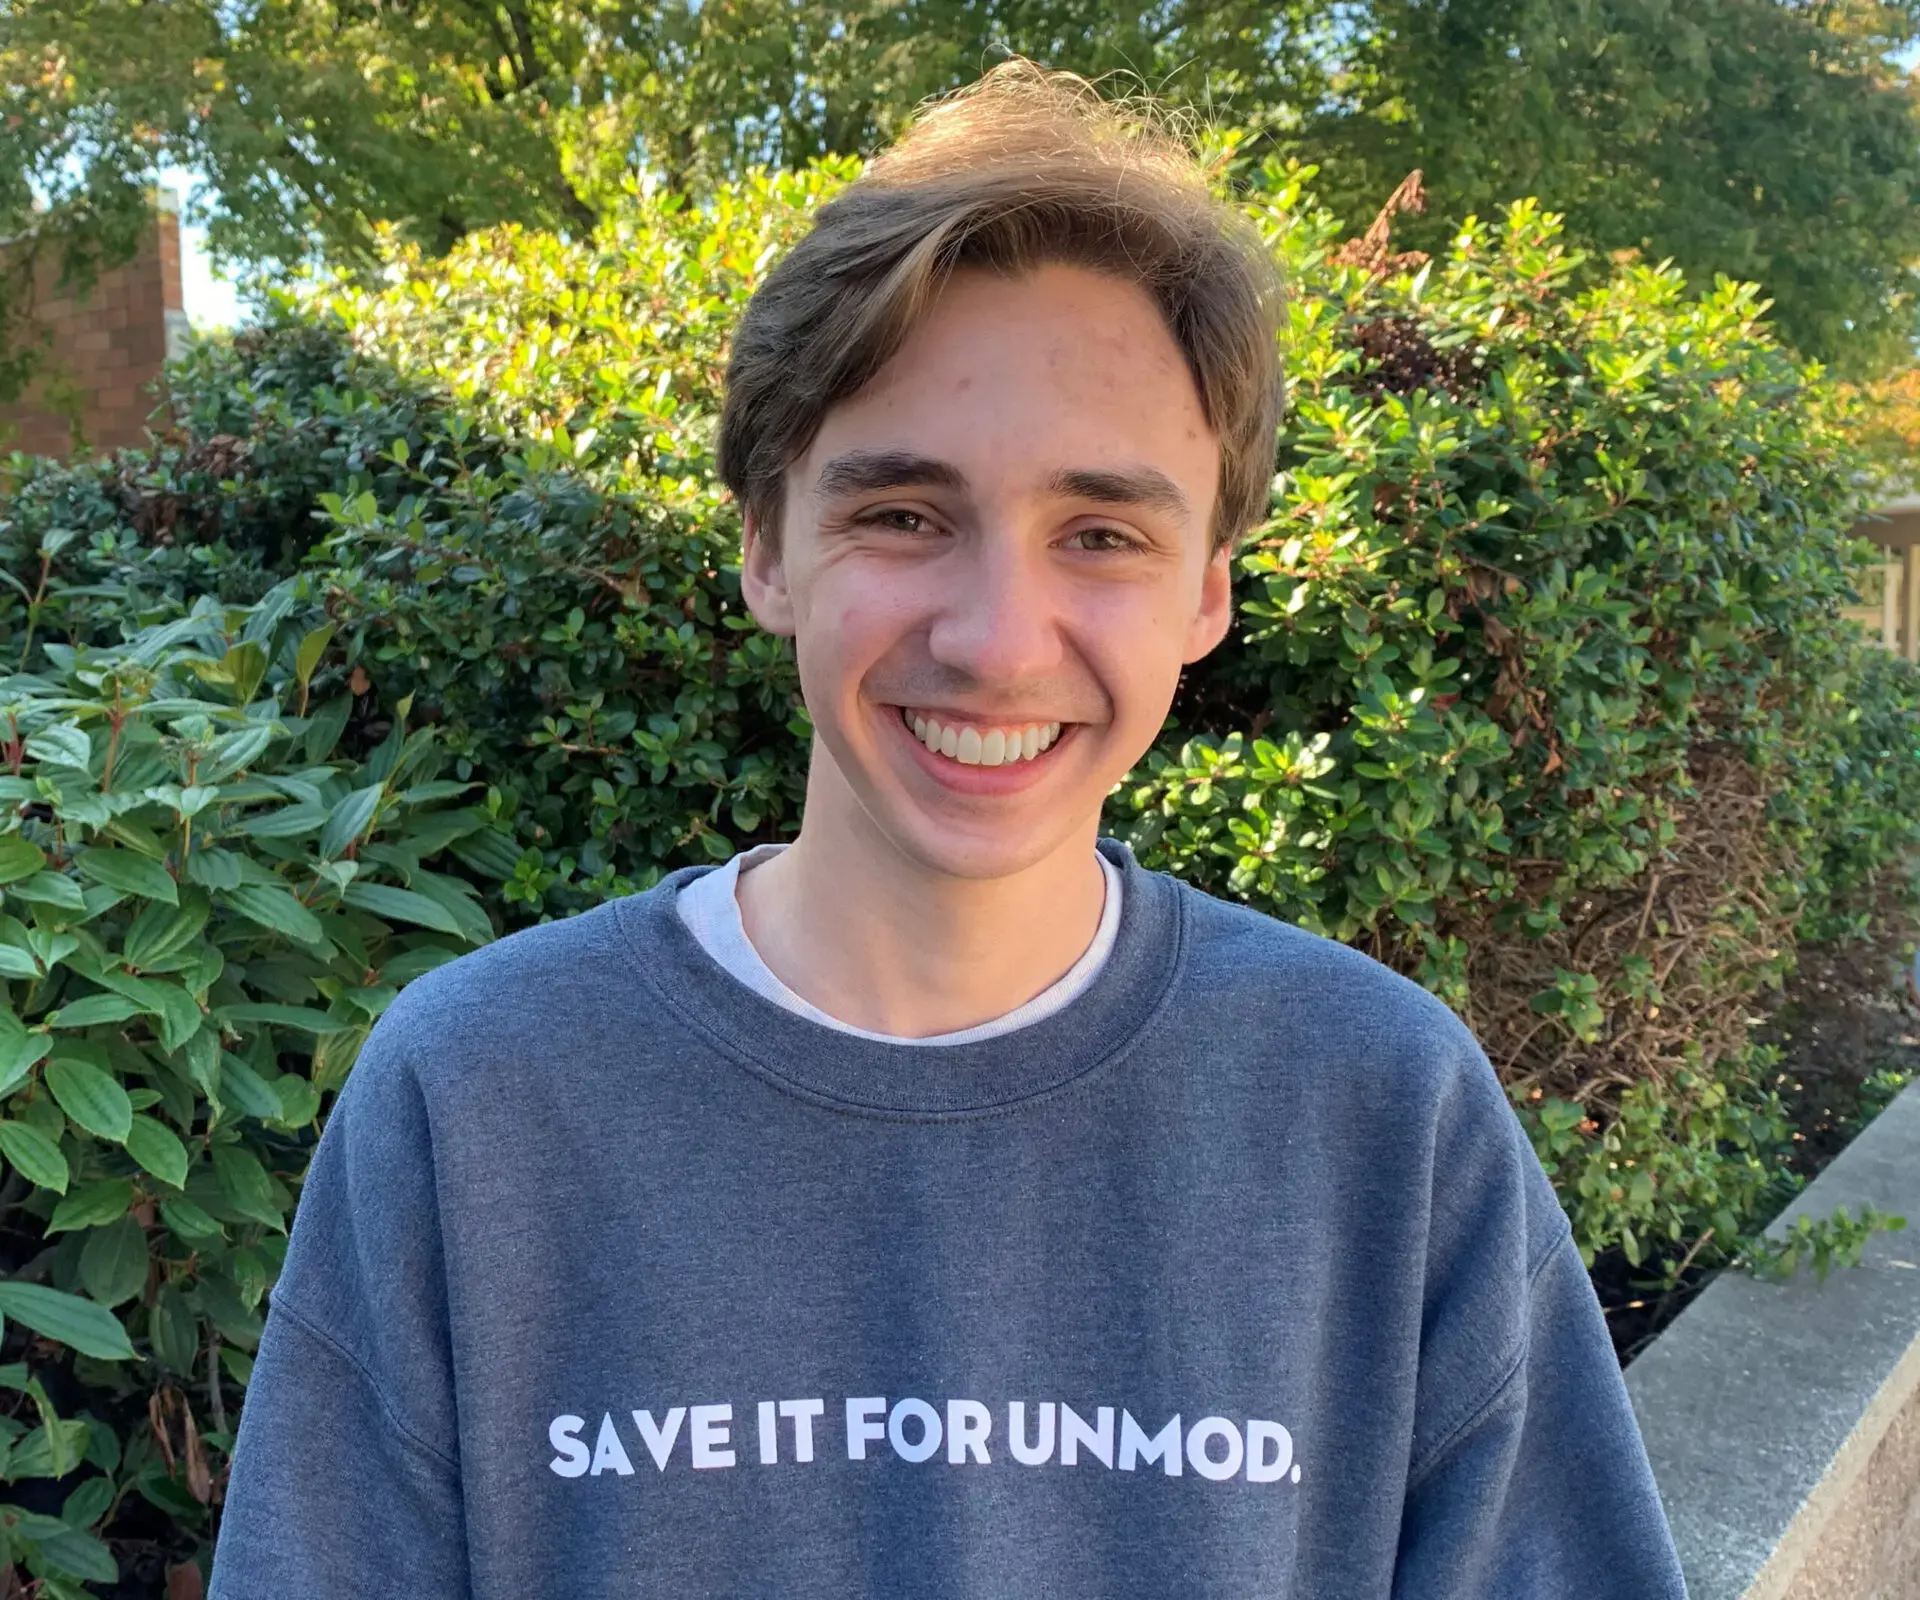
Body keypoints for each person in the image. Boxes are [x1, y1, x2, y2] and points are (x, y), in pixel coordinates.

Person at [210, 61, 1687, 1599]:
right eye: (904, 515)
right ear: (768, 548)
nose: (996, 639)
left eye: (1102, 534)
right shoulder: (479, 1099)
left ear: (1207, 592)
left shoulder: (1383, 1115)